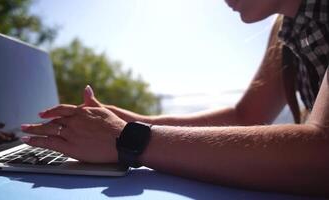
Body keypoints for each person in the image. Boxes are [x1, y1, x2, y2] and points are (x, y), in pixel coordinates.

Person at [20, 0, 329, 196]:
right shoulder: (284, 31)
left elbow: (321, 153)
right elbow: (245, 116)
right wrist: (132, 122)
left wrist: (127, 138)